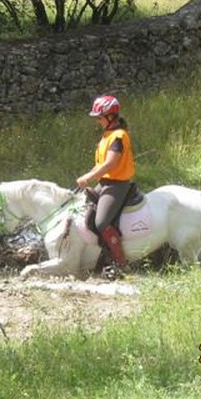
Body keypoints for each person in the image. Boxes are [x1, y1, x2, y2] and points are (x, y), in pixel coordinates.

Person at [75, 95, 135, 271]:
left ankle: (121, 264)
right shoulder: (107, 135)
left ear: (111, 116)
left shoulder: (118, 136)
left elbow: (110, 164)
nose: (98, 121)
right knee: (86, 212)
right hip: (104, 183)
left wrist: (88, 178)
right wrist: (89, 176)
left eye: (100, 117)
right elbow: (100, 165)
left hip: (117, 185)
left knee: (101, 222)